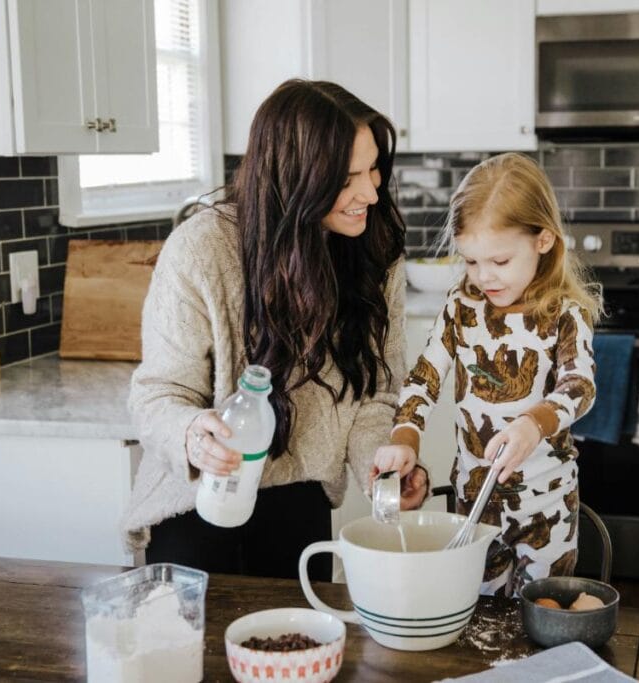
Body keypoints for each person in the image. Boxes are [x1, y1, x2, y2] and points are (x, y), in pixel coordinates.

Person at [122, 80, 429, 580]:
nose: (371, 192)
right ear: (295, 178)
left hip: (300, 496)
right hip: (199, 499)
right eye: (347, 177)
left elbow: (374, 393)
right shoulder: (202, 250)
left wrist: (383, 473)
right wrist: (193, 437)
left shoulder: (374, 252)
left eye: (373, 168)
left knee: (296, 651)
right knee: (193, 654)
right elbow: (159, 393)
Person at [372, 152, 600, 597]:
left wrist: (534, 424)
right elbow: (424, 377)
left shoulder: (564, 314)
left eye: (499, 261)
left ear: (543, 240)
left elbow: (580, 386)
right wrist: (405, 436)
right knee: (481, 622)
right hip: (472, 505)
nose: (483, 277)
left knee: (546, 614)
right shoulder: (462, 307)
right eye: (471, 262)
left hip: (546, 506)